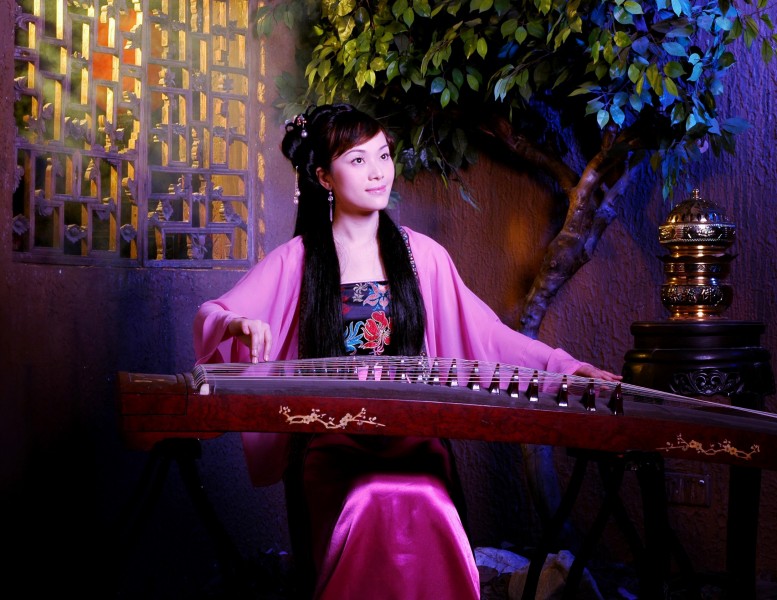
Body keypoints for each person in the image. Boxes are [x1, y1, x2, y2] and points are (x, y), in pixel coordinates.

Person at [193, 103, 621, 599]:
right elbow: (214, 314)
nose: (378, 172)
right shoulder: (300, 260)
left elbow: (489, 337)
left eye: (383, 155)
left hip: (412, 436)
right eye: (358, 160)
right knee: (366, 500)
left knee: (426, 497)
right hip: (333, 442)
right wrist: (238, 323)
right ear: (324, 177)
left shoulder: (422, 257)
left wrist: (564, 367)